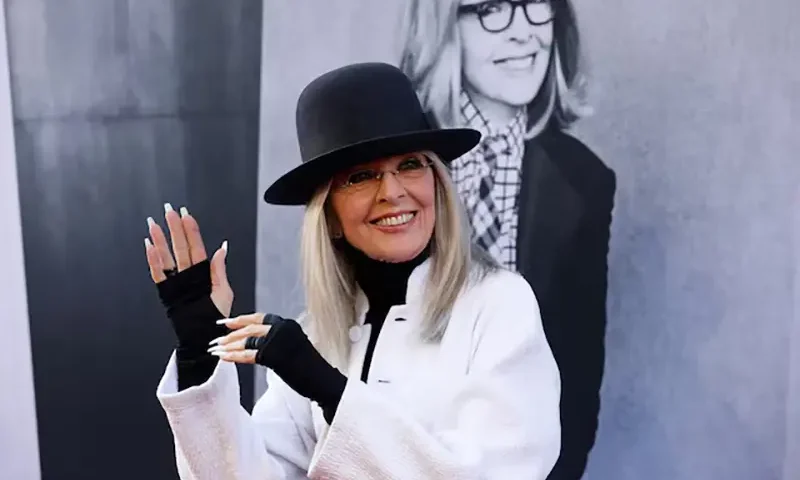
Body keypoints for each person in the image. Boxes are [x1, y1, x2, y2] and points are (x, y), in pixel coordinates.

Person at [145, 62, 561, 479]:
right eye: (362, 176)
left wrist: (329, 389)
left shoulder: (499, 304)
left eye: (411, 165)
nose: (393, 192)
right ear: (328, 216)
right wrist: (201, 353)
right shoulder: (317, 334)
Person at [398, 1, 617, 477]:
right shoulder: (389, 158)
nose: (523, 33)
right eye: (491, 8)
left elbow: (577, 375)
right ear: (442, 27)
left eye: (535, 4)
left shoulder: (586, 180)